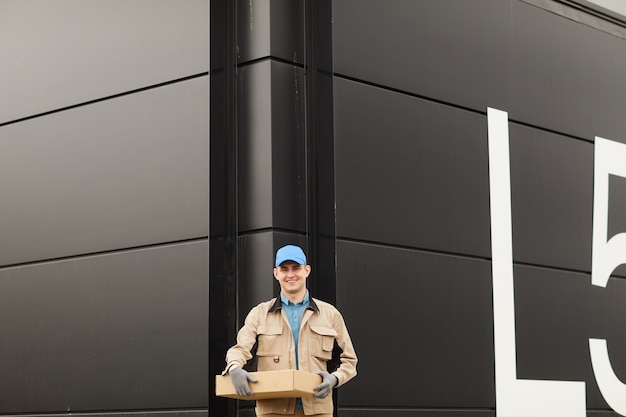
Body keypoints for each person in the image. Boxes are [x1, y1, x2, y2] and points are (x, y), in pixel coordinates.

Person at [223, 244, 358, 416]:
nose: (290, 274)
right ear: (276, 273)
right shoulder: (259, 314)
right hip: (272, 410)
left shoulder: (330, 315)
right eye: (284, 269)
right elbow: (240, 349)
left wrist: (335, 378)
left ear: (307, 270)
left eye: (296, 268)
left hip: (318, 410)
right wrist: (234, 368)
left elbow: (349, 360)